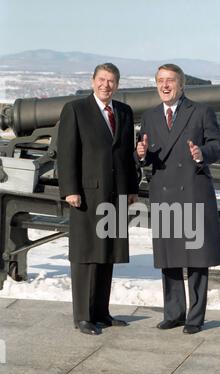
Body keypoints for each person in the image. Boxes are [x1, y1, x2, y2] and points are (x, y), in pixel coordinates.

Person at [136, 64, 220, 334]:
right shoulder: (150, 117)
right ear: (156, 85)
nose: (165, 86)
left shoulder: (200, 112)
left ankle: (195, 317)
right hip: (164, 192)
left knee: (197, 258)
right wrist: (140, 154)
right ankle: (173, 313)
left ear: (181, 84)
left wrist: (201, 153)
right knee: (169, 256)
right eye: (161, 81)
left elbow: (219, 145)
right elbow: (149, 154)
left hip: (193, 190)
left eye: (170, 81)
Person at [57, 63, 139, 335]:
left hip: (116, 194)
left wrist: (132, 189)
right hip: (87, 194)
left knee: (107, 254)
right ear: (92, 81)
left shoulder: (124, 113)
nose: (106, 85)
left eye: (112, 81)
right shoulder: (76, 110)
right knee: (85, 255)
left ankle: (101, 312)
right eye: (102, 80)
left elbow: (126, 156)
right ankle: (82, 316)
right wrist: (70, 188)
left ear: (117, 84)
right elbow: (67, 152)